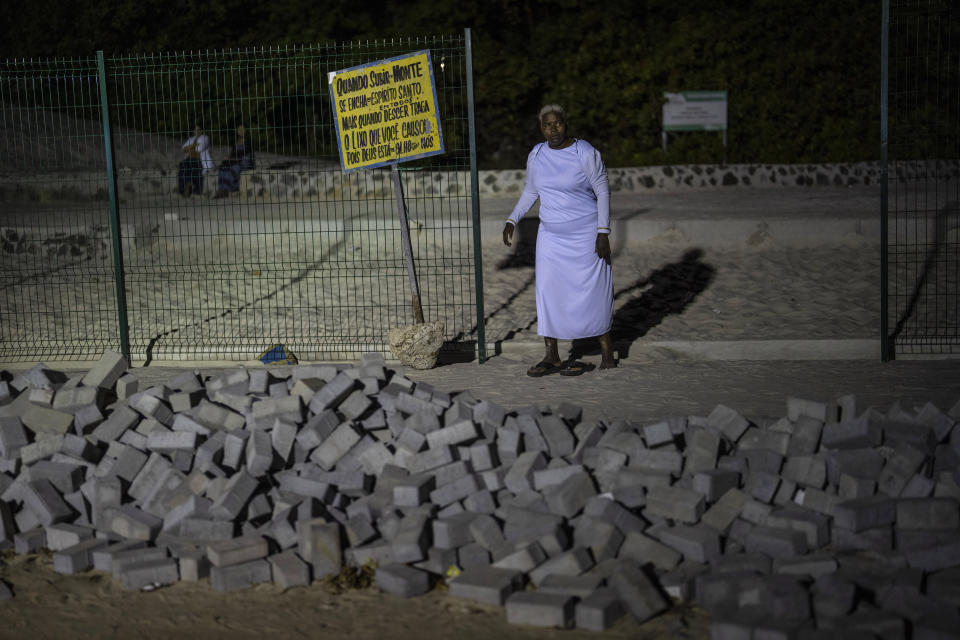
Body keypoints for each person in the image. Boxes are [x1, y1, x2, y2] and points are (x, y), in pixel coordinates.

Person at [503, 104, 615, 376]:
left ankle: (606, 353)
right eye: (546, 125)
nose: (553, 130)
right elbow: (531, 191)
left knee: (593, 291)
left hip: (586, 233)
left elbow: (602, 190)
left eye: (557, 124)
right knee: (548, 291)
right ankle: (551, 355)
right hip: (551, 235)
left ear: (566, 123)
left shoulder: (584, 152)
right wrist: (512, 219)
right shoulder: (537, 154)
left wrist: (603, 231)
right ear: (541, 128)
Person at [214, 123, 254, 198]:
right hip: (236, 161)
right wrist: (228, 159)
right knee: (223, 169)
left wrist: (236, 157)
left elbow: (247, 153)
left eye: (242, 129)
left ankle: (230, 189)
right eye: (239, 129)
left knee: (234, 169)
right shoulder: (235, 141)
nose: (241, 131)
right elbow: (232, 154)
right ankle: (221, 190)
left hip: (244, 162)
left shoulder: (248, 140)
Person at [177, 124, 213, 197]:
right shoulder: (191, 139)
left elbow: (199, 149)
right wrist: (194, 145)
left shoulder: (205, 138)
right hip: (188, 159)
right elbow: (183, 149)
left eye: (199, 129)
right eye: (195, 130)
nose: (197, 131)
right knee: (182, 169)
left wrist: (190, 147)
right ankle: (184, 188)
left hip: (199, 160)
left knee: (189, 167)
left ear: (202, 130)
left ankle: (190, 186)